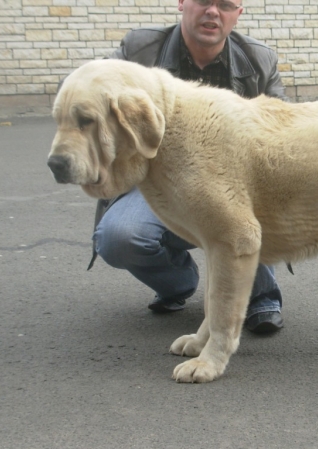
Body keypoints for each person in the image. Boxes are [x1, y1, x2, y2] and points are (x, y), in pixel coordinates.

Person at [89, 0, 287, 333]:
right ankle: (177, 284)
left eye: (225, 4)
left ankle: (261, 296)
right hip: (157, 180)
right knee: (118, 237)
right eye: (204, 1)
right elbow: (96, 101)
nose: (213, 11)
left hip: (233, 183)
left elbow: (282, 129)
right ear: (182, 3)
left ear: (239, 12)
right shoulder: (139, 50)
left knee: (254, 202)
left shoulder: (259, 59)